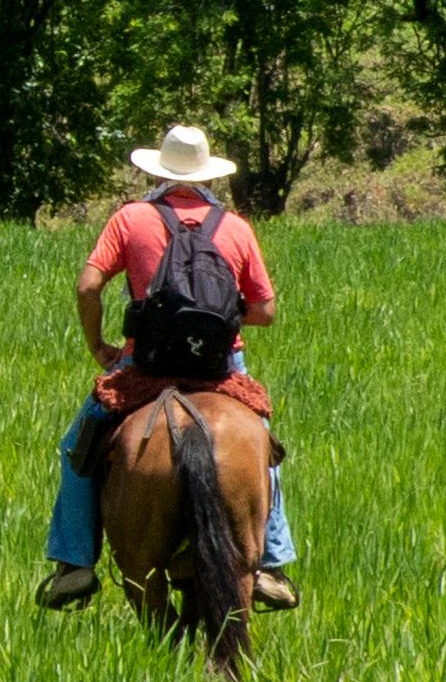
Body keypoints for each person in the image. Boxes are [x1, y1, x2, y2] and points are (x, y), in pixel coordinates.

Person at [38, 123, 295, 612]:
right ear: (208, 175)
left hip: (145, 365)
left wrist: (99, 346)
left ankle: (74, 565)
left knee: (78, 444)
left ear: (158, 170)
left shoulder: (130, 219)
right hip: (219, 368)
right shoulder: (236, 227)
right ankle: (272, 564)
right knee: (261, 444)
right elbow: (265, 311)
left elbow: (88, 286)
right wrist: (217, 316)